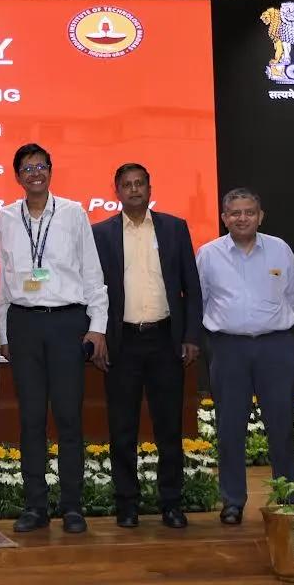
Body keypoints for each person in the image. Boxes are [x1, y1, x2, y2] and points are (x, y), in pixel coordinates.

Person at [0, 143, 107, 534]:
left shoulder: (73, 212)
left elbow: (92, 273)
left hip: (67, 323)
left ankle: (72, 507)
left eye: (41, 166)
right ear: (17, 176)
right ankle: (35, 506)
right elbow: (4, 276)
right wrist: (3, 331)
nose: (35, 173)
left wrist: (97, 326)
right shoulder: (6, 217)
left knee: (69, 417)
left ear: (51, 170)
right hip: (24, 324)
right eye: (27, 169)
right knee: (30, 420)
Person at [91, 163, 202, 529]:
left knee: (169, 428)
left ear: (150, 188)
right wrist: (98, 335)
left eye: (140, 183)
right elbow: (93, 290)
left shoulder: (174, 228)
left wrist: (190, 336)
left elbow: (191, 287)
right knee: (122, 428)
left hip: (165, 340)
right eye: (127, 184)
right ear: (117, 192)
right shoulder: (101, 234)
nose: (134, 189)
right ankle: (127, 504)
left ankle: (171, 503)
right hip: (122, 343)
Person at [196, 187, 294, 525]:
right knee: (229, 428)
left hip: (276, 347)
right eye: (235, 213)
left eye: (249, 212)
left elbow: (293, 293)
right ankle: (232, 501)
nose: (242, 218)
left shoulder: (280, 249)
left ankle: (289, 497)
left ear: (260, 216)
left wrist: (264, 324)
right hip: (229, 349)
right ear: (224, 218)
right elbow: (200, 299)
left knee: (281, 425)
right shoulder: (208, 254)